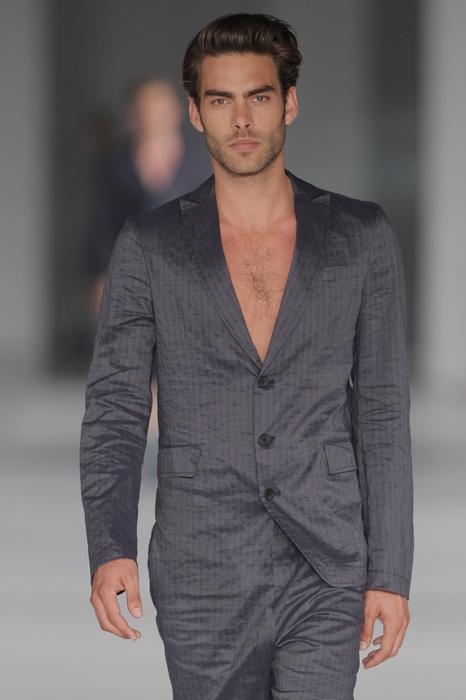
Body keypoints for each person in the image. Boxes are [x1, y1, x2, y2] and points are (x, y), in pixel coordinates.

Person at [79, 12, 414, 699]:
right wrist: (109, 546)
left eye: (258, 96)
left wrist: (390, 572)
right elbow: (115, 407)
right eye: (220, 99)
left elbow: (382, 412)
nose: (240, 119)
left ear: (289, 102)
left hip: (326, 563)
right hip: (202, 563)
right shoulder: (150, 246)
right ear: (195, 113)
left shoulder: (360, 237)